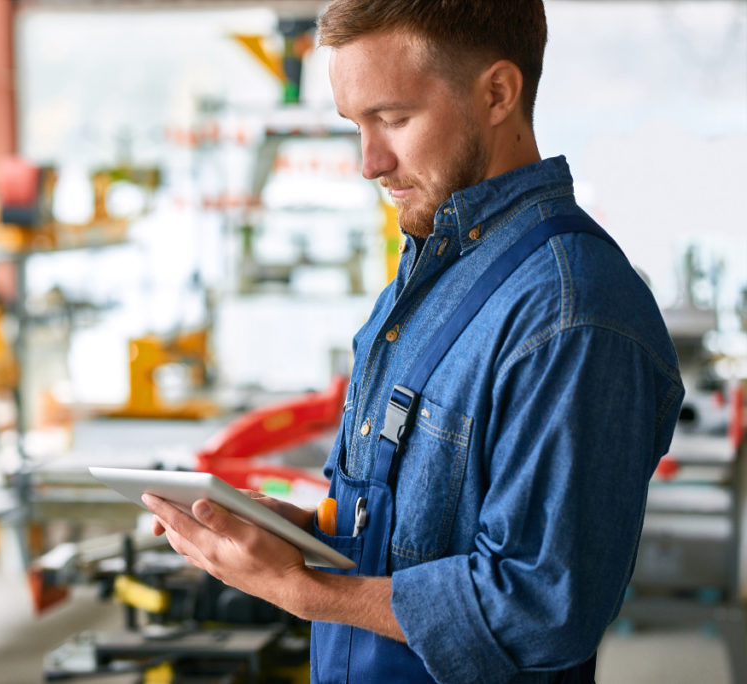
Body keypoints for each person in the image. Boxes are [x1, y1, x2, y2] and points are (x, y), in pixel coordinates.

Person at [143, 1, 684, 681]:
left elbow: (543, 608)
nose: (369, 162)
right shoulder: (435, 270)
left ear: (496, 93)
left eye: (394, 119)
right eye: (355, 125)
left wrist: (305, 590)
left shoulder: (570, 311)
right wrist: (300, 535)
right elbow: (425, 528)